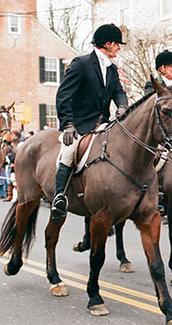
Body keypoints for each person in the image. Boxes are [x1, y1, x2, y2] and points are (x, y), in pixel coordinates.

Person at [51, 24, 129, 222]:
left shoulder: (112, 69)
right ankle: (59, 197)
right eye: (117, 45)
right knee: (69, 152)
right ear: (108, 44)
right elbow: (63, 95)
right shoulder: (81, 63)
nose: (119, 48)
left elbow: (119, 92)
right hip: (80, 124)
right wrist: (68, 123)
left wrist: (122, 106)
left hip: (104, 124)